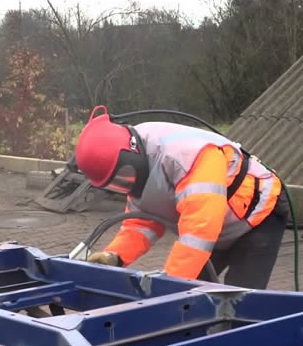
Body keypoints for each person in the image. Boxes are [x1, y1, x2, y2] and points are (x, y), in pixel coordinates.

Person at [75, 105, 289, 289]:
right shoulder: (138, 164)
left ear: (131, 153)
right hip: (215, 228)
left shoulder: (187, 157)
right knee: (193, 295)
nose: (125, 183)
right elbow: (142, 223)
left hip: (257, 217)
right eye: (115, 184)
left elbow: (199, 231)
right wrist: (114, 256)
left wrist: (168, 290)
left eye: (124, 174)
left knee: (240, 303)